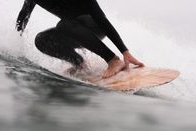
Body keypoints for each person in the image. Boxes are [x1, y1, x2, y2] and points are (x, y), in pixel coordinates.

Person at [16, 0, 144, 78]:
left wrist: (124, 51)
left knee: (64, 24)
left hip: (94, 27)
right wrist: (16, 42)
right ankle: (79, 63)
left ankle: (112, 60)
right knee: (41, 40)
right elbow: (23, 15)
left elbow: (101, 19)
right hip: (72, 30)